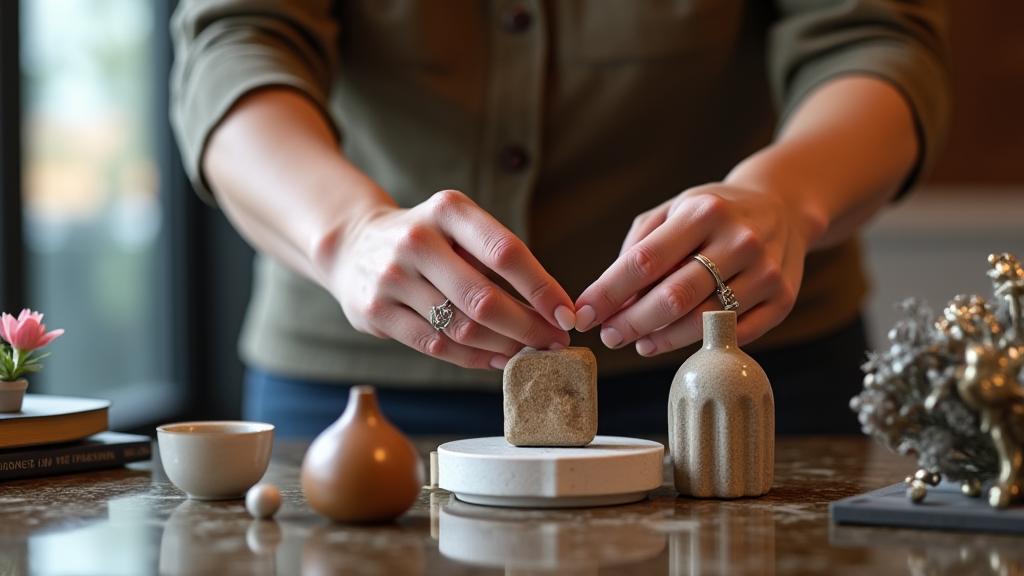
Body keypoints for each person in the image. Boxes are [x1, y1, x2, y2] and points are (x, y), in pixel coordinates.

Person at [170, 1, 950, 438]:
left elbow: (873, 38)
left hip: (740, 383)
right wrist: (346, 234)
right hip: (358, 395)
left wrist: (788, 196)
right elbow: (234, 39)